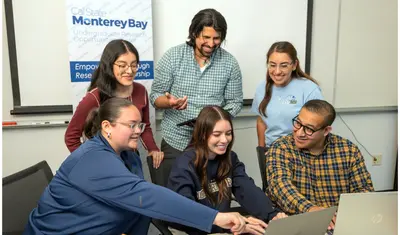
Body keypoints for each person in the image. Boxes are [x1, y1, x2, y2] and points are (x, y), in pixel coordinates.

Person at [24, 98, 260, 235]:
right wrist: (215, 218)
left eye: (141, 124)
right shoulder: (92, 158)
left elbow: (139, 208)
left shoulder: (130, 154)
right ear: (107, 127)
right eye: (132, 125)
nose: (139, 130)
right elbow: (145, 197)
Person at [150, 8, 243, 186]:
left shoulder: (230, 64)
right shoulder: (173, 57)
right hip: (175, 141)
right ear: (194, 33)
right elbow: (155, 96)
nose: (211, 43)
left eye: (216, 38)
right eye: (205, 38)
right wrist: (169, 103)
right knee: (173, 196)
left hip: (212, 145)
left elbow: (235, 102)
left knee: (207, 198)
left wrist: (212, 122)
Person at [167, 106, 287, 235]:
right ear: (202, 135)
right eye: (217, 134)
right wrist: (233, 226)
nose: (224, 140)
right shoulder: (184, 164)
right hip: (191, 230)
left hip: (221, 225)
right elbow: (184, 212)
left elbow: (247, 189)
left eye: (228, 133)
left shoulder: (231, 158)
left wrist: (272, 215)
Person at [266, 99, 374, 230]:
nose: (299, 133)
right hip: (297, 222)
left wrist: (343, 215)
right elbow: (280, 186)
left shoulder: (348, 150)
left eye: (309, 129)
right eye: (298, 123)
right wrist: (311, 209)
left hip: (338, 222)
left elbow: (363, 190)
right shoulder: (281, 148)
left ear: (326, 130)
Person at [65, 39, 164, 169]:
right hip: (103, 163)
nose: (129, 71)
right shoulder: (95, 97)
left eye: (134, 65)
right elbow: (71, 136)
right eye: (122, 65)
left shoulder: (140, 91)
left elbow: (144, 126)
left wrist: (153, 149)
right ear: (110, 66)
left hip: (131, 160)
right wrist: (88, 161)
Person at [251, 41, 323, 149]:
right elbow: (261, 121)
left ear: (294, 65)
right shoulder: (262, 88)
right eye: (272, 65)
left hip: (300, 152)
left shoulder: (309, 88)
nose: (277, 71)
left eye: (284, 66)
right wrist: (262, 150)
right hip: (271, 150)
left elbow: (318, 125)